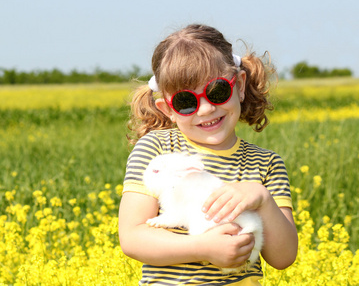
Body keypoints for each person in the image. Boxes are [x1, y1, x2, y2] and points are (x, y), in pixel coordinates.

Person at [118, 24, 298, 285]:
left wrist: (263, 199)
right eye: (185, 101)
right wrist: (203, 248)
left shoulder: (266, 164)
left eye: (217, 91)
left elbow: (283, 258)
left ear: (239, 86)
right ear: (167, 109)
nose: (204, 109)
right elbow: (133, 237)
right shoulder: (157, 150)